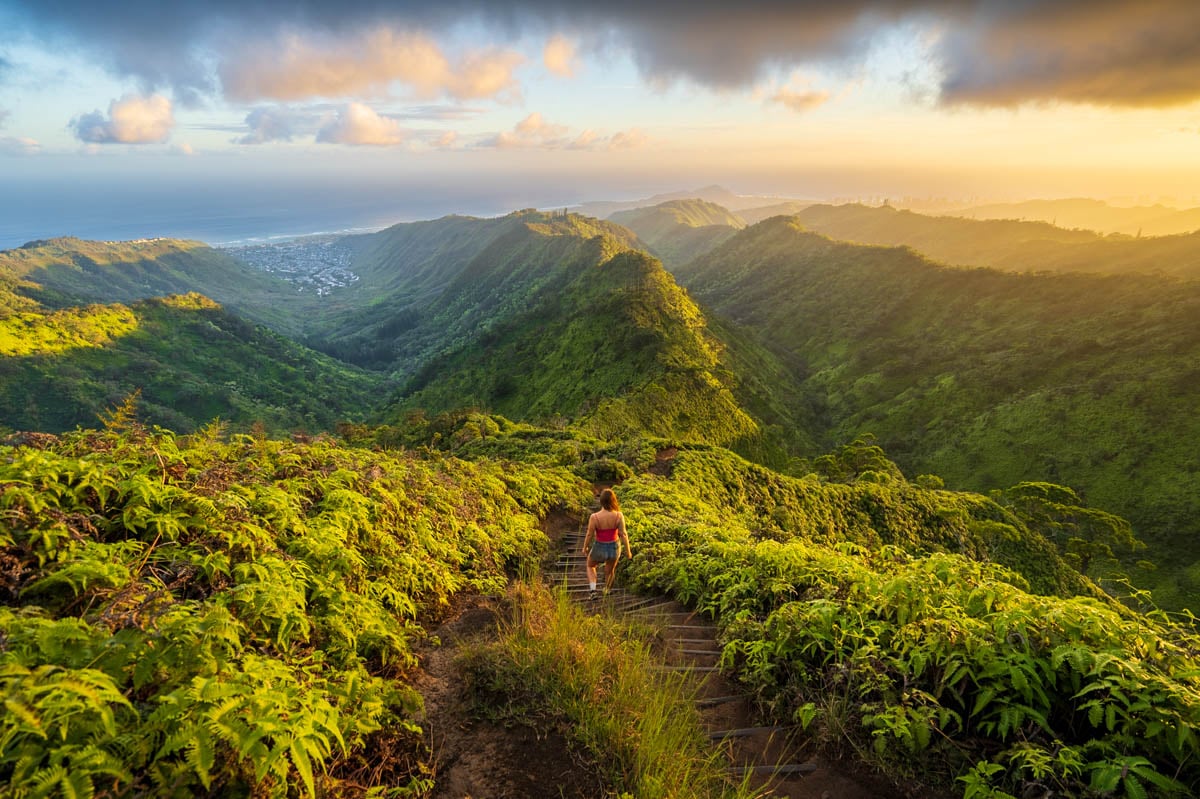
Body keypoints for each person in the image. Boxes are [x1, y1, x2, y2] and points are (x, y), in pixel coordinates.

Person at [581, 487, 632, 600]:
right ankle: (607, 590)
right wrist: (628, 551)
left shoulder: (594, 517)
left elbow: (589, 534)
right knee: (610, 570)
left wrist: (585, 547)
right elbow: (623, 534)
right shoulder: (619, 515)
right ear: (613, 500)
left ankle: (593, 590)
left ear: (601, 501)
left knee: (590, 565)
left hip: (599, 546)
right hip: (614, 547)